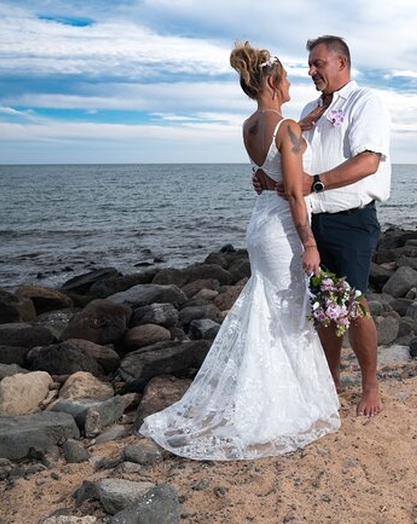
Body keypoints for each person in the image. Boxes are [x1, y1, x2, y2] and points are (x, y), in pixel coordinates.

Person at [139, 41, 340, 461]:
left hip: (258, 224)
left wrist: (307, 121)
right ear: (271, 81)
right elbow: (295, 193)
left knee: (267, 307)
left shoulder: (251, 125)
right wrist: (310, 242)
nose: (290, 84)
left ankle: (260, 391)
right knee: (284, 314)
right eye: (285, 79)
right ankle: (275, 406)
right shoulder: (285, 127)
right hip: (282, 228)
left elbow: (275, 157)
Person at [256, 35, 392, 417]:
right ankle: (330, 382)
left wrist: (315, 182)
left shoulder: (366, 102)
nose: (311, 71)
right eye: (310, 64)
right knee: (324, 307)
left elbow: (368, 162)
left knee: (354, 304)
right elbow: (295, 167)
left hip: (352, 221)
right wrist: (272, 183)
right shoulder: (309, 110)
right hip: (313, 223)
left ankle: (369, 385)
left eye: (318, 64)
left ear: (341, 64)